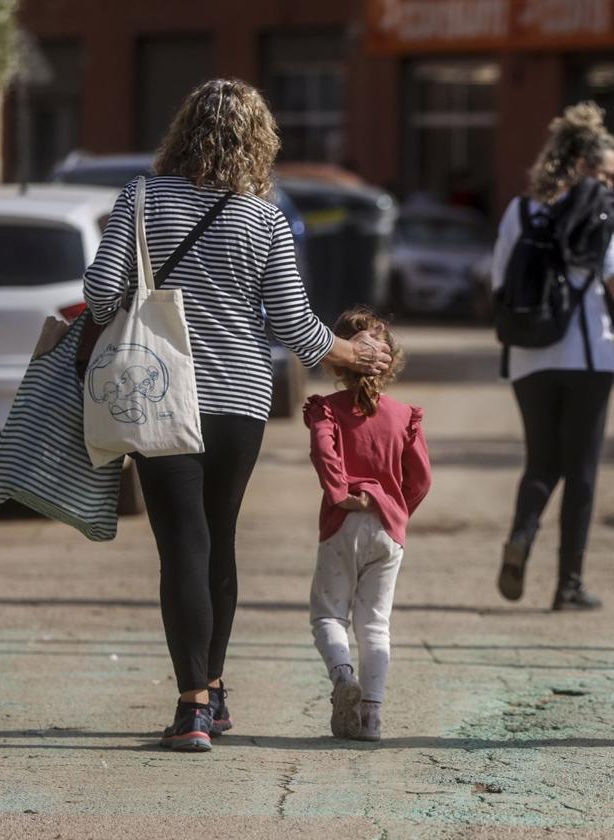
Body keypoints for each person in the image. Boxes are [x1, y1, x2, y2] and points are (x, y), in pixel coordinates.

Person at [82, 79, 393, 753]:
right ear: (260, 140)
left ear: (183, 128)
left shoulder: (140, 197)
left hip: (161, 392)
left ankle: (193, 705)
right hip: (239, 401)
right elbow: (293, 327)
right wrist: (354, 351)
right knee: (218, 539)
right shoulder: (265, 217)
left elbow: (104, 291)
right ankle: (214, 691)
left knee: (182, 548)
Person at [492, 102, 614, 611]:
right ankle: (568, 585)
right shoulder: (599, 212)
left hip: (529, 357)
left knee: (540, 462)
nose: (608, 185)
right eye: (603, 173)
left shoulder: (521, 210)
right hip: (588, 358)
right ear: (579, 164)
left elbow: (498, 283)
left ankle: (522, 537)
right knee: (581, 473)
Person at [305, 308, 431, 742]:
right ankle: (372, 717)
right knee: (375, 624)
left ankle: (343, 677)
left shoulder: (327, 410)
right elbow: (422, 478)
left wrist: (340, 492)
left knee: (328, 615)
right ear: (391, 361)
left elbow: (324, 452)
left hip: (342, 524)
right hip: (387, 530)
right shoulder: (403, 416)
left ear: (335, 360)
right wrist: (397, 509)